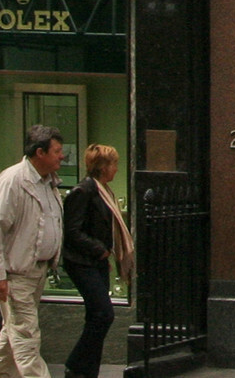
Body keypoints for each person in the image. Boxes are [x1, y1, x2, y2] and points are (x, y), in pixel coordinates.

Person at [0, 126, 65, 378]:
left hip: (36, 270)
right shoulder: (13, 181)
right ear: (39, 152)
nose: (62, 156)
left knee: (14, 333)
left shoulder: (48, 183)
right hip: (15, 273)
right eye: (57, 151)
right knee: (26, 336)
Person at [59, 147, 130, 378]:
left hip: (96, 261)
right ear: (103, 166)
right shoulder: (84, 191)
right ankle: (75, 364)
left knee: (95, 315)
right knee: (103, 314)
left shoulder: (104, 191)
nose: (116, 169)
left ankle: (87, 372)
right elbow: (71, 230)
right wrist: (99, 249)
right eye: (114, 164)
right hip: (81, 261)